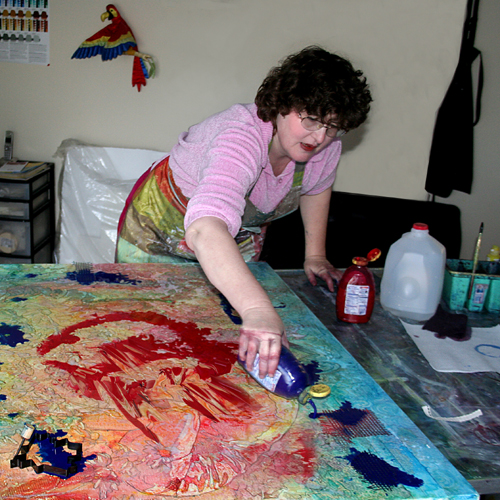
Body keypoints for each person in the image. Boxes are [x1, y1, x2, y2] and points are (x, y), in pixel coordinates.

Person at [116, 45, 372, 380]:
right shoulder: (239, 136)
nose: (320, 137)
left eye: (333, 126)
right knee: (153, 342)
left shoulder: (323, 147)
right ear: (281, 104)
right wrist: (257, 309)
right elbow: (205, 230)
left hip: (234, 237)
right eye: (310, 119)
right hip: (161, 234)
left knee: (220, 345)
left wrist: (315, 254)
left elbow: (317, 186)